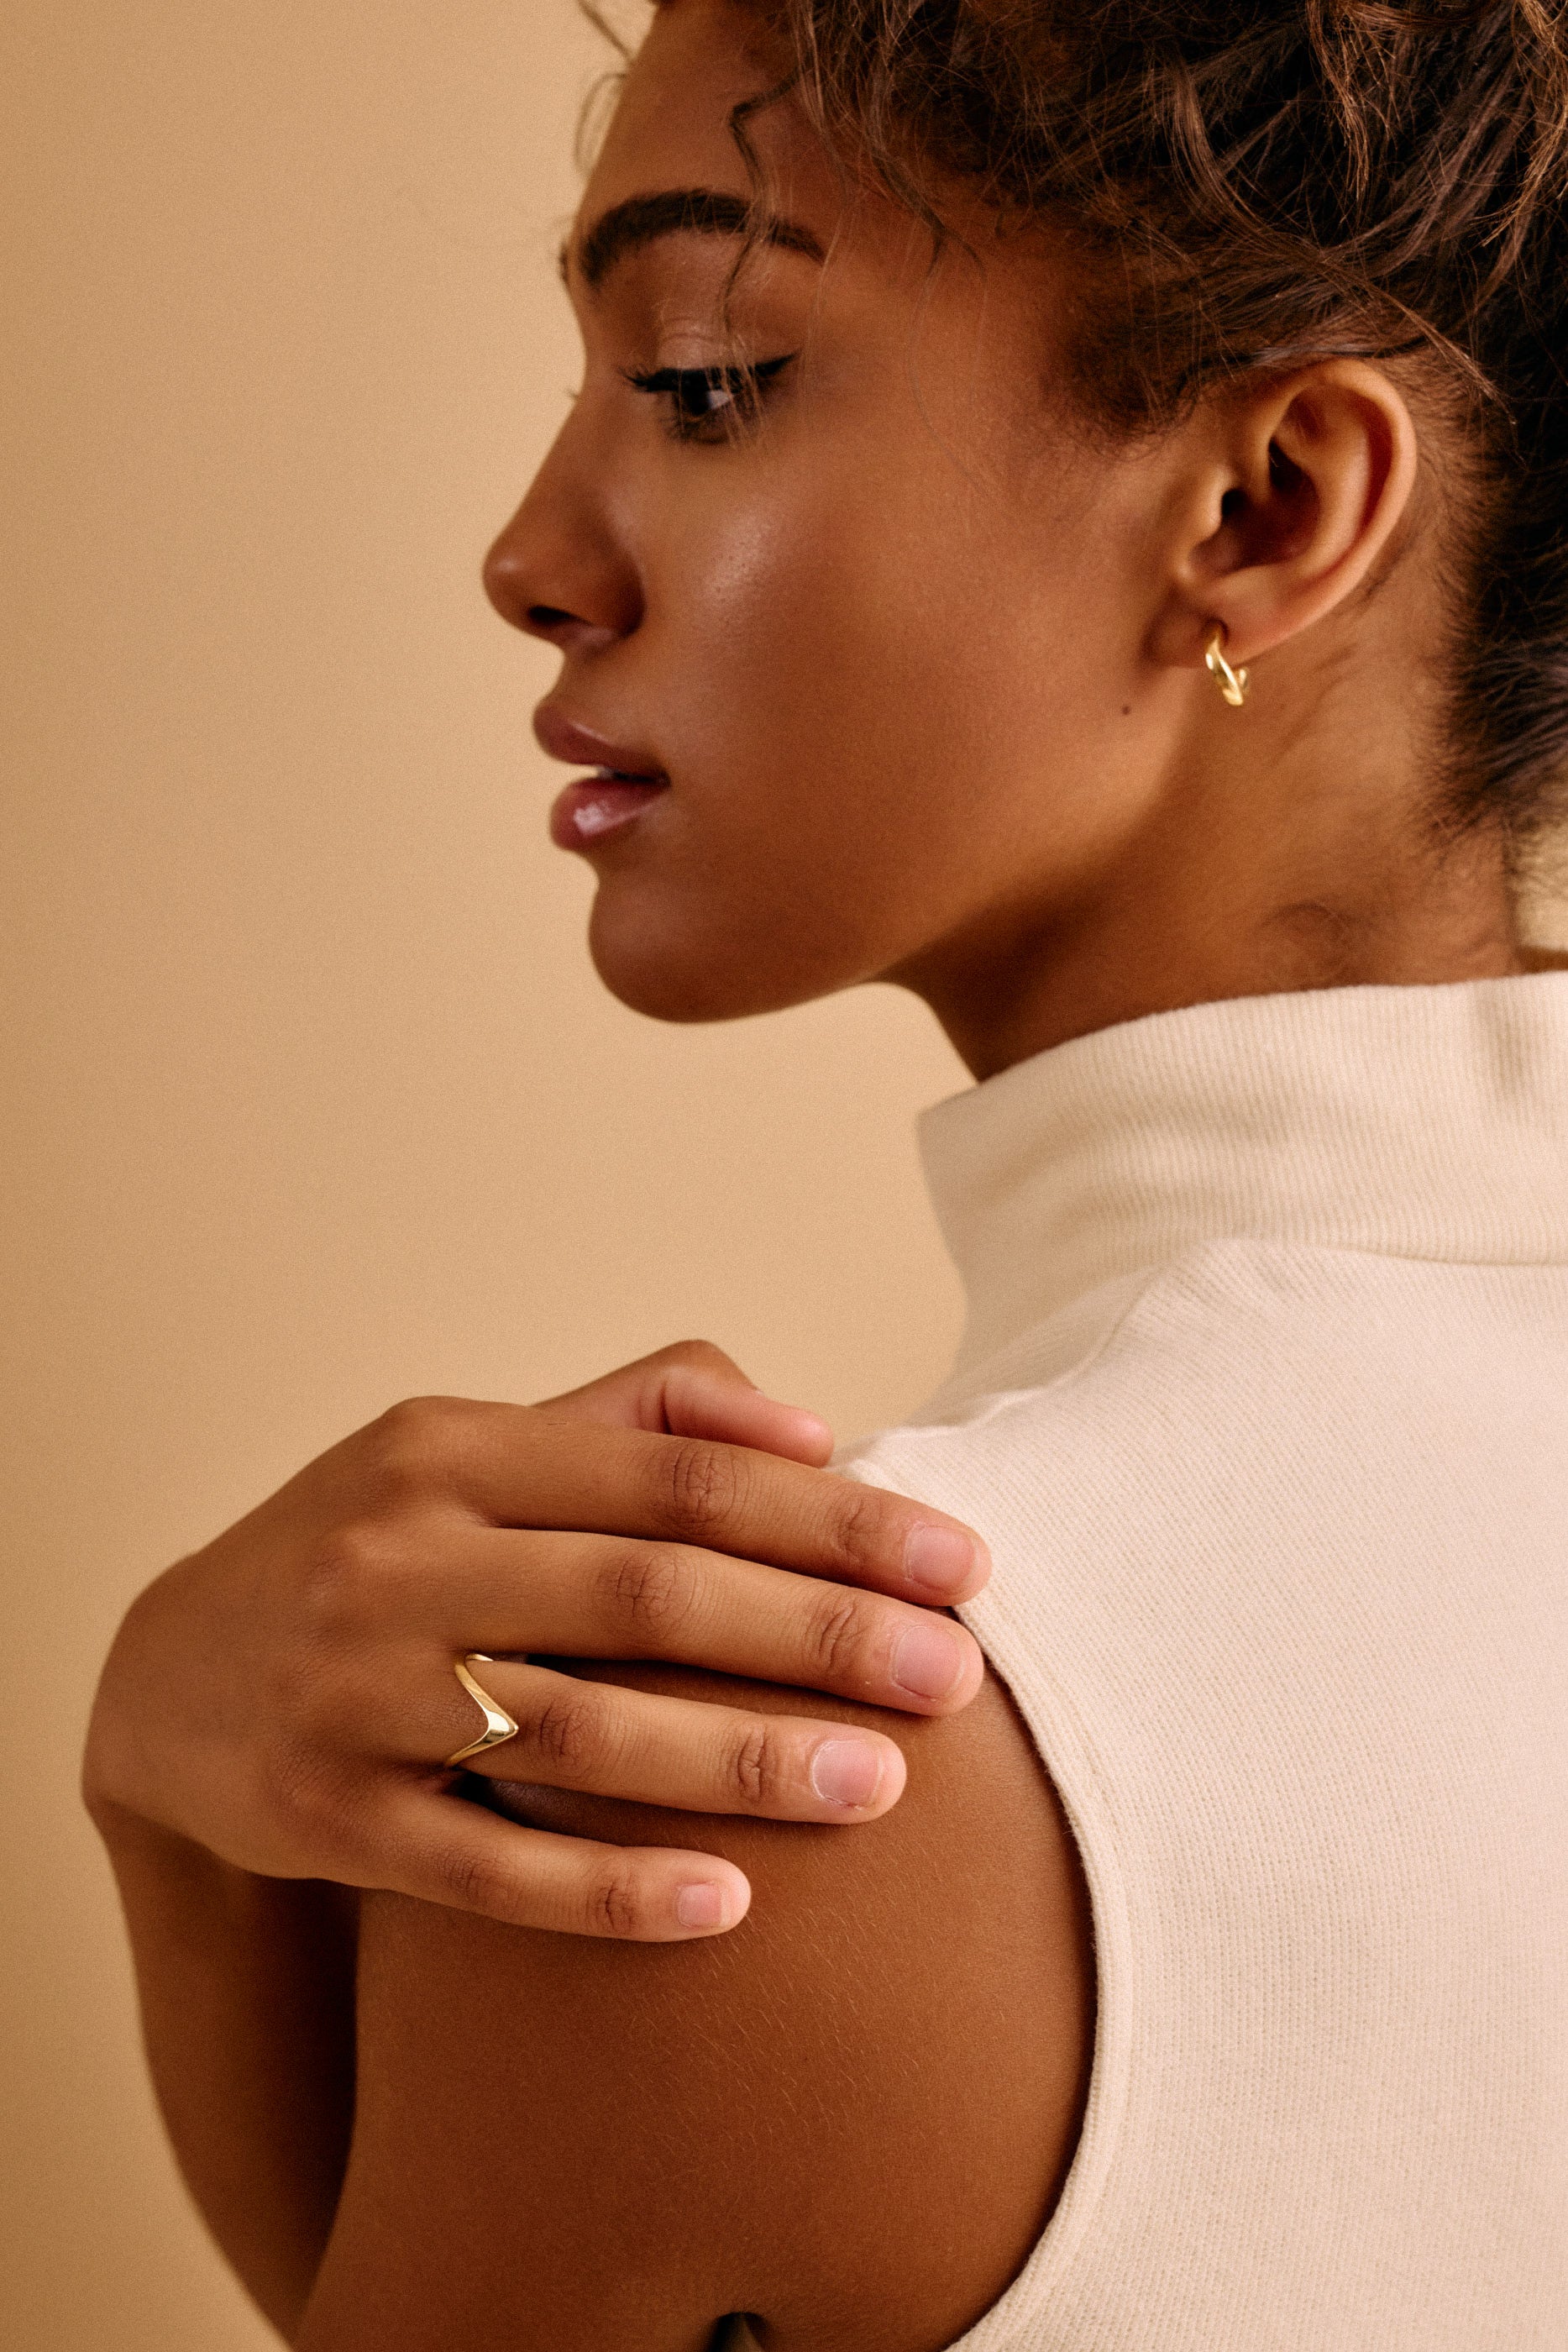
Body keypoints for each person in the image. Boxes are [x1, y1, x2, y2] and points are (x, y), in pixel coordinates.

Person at [85, 1, 1568, 2346]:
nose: (530, 554)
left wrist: (176, 1829)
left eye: (703, 378)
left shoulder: (769, 1779)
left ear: (1263, 508)